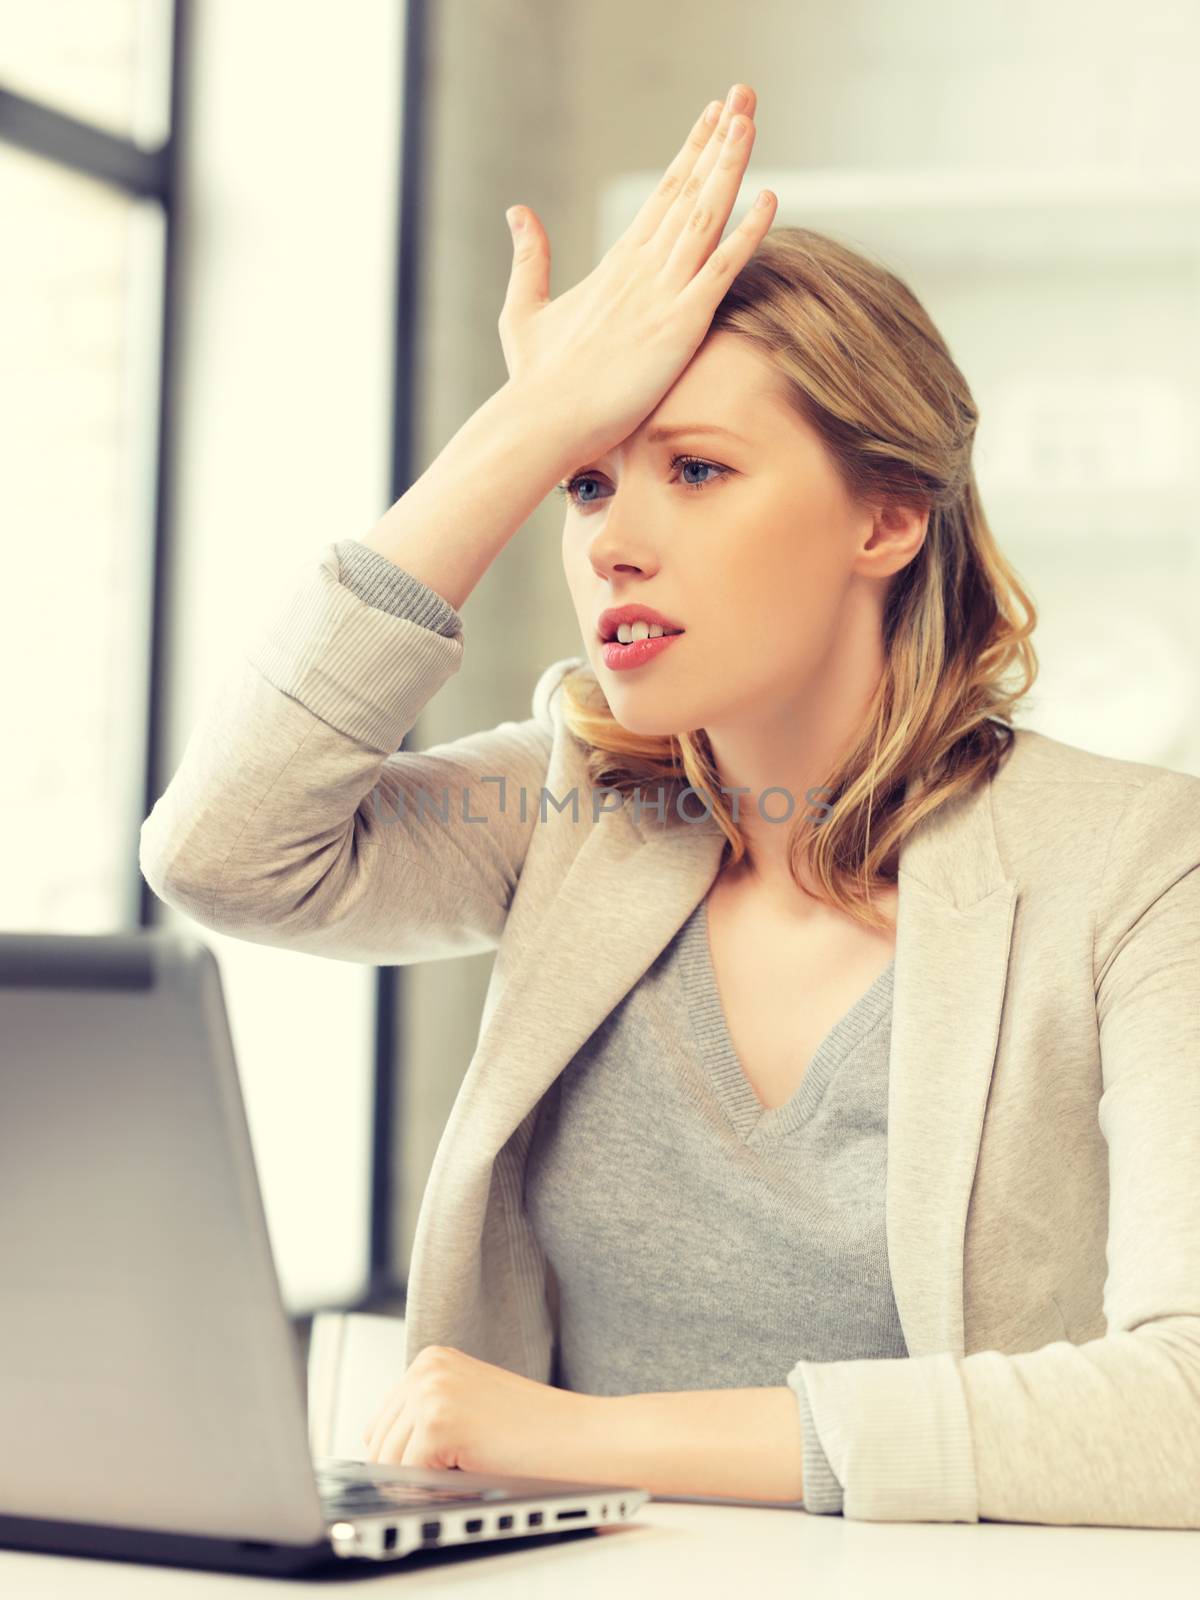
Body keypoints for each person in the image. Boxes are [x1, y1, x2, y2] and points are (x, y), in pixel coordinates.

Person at [140, 83, 1200, 1527]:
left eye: (696, 471)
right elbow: (223, 854)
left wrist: (584, 1435)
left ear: (886, 517)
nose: (616, 545)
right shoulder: (563, 809)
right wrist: (519, 429)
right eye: (587, 485)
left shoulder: (1134, 863)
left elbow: (1184, 1412)